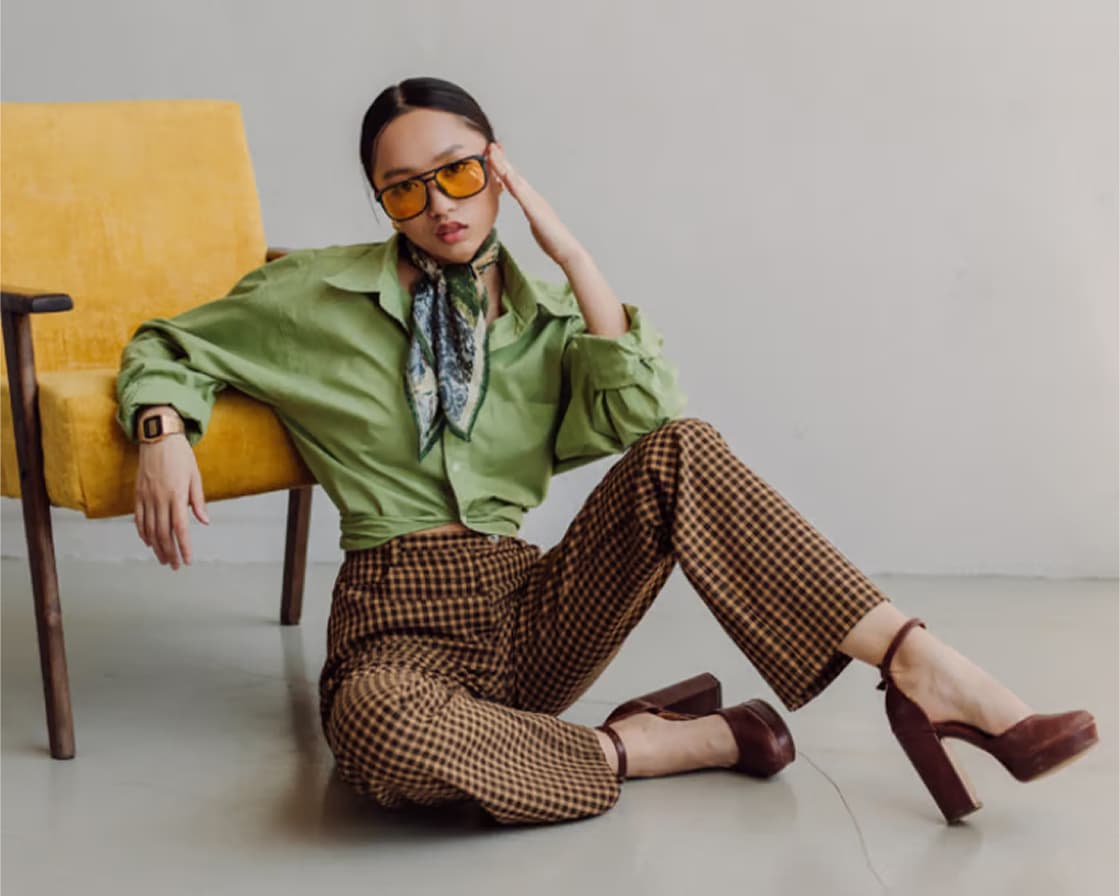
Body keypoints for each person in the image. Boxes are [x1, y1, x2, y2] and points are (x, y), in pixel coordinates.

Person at [116, 76, 1098, 827]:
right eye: (404, 190)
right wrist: (161, 430)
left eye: (458, 172)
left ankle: (924, 668)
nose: (439, 204)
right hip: (396, 622)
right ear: (381, 201)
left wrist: (573, 257)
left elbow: (650, 417)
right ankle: (669, 742)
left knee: (681, 446)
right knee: (379, 738)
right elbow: (166, 343)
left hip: (532, 608)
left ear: (498, 168)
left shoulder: (554, 320)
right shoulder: (314, 295)